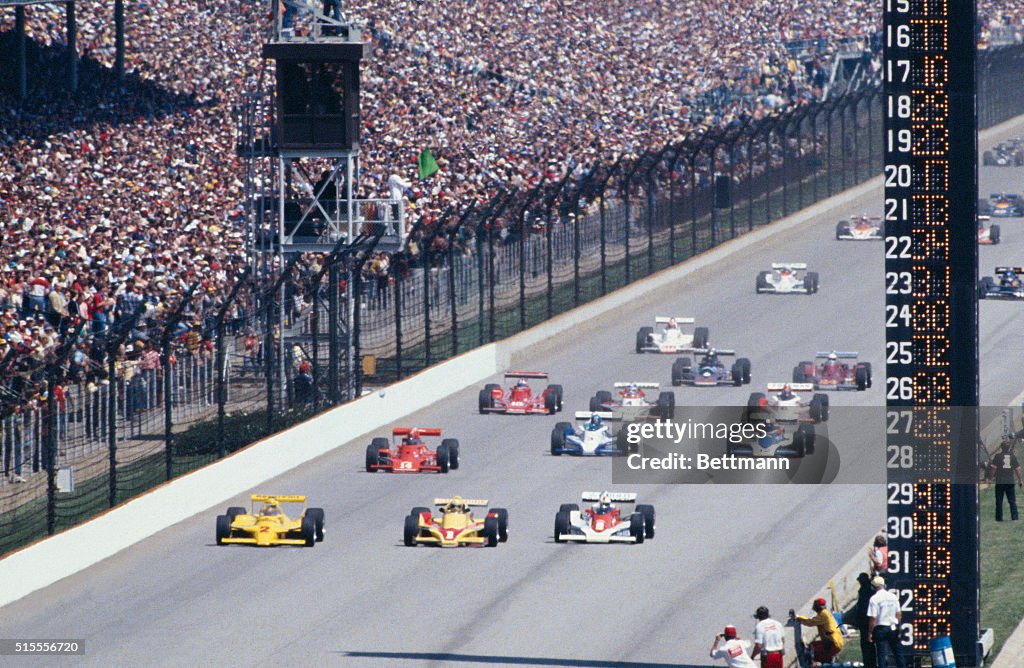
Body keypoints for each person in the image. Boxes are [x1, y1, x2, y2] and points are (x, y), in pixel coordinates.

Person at [867, 575, 905, 668]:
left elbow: (873, 618)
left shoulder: (874, 599)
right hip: (893, 627)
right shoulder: (893, 596)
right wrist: (899, 627)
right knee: (898, 652)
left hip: (880, 628)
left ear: (873, 587)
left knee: (881, 654)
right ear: (884, 585)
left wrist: (870, 632)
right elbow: (899, 614)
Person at [792, 597, 843, 665]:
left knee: (815, 652)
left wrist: (799, 618)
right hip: (833, 642)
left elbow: (810, 622)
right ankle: (828, 660)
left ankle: (817, 664)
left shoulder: (823, 615)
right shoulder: (825, 613)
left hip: (833, 644)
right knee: (813, 645)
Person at [989, 438, 1023, 521]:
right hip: (1010, 481)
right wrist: (1020, 480)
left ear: (1001, 447)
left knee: (999, 501)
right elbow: (1017, 469)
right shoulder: (1012, 456)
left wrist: (990, 478)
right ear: (1009, 447)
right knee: (1012, 501)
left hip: (1000, 481)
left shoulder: (997, 456)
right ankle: (1014, 518)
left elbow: (993, 469)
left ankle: (999, 518)